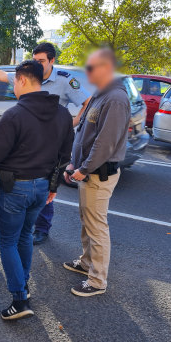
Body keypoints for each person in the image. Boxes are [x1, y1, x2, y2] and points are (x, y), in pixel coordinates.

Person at [0, 61, 74, 320]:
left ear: (22, 80)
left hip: (15, 187)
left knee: (8, 241)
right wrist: (53, 187)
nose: (13, 87)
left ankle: (19, 299)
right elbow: (65, 156)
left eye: (13, 82)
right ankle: (24, 285)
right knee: (25, 236)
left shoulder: (15, 114)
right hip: (42, 188)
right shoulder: (62, 114)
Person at [0, 43, 91, 246]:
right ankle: (26, 232)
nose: (38, 64)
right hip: (30, 136)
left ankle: (42, 229)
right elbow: (1, 76)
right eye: (35, 60)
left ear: (52, 61)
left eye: (41, 61)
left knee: (44, 182)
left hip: (50, 139)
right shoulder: (27, 76)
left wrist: (70, 123)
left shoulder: (64, 80)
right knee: (33, 184)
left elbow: (87, 102)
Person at [63, 48, 130, 297]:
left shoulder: (115, 98)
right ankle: (86, 263)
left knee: (97, 226)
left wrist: (84, 168)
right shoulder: (101, 95)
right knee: (88, 222)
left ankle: (97, 280)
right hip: (88, 171)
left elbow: (105, 142)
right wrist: (73, 163)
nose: (88, 72)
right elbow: (84, 133)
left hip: (98, 173)